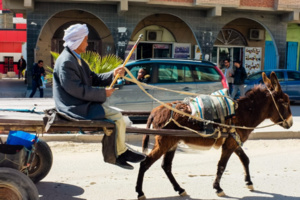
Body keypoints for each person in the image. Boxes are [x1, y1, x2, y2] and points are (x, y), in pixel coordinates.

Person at [52, 23, 146, 170]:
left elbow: (93, 78)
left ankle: (121, 151)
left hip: (80, 103)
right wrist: (102, 93)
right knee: (116, 117)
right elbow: (75, 89)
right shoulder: (66, 61)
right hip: (74, 107)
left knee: (117, 116)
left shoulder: (76, 58)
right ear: (77, 40)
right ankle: (118, 154)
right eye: (86, 40)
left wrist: (113, 73)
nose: (87, 43)